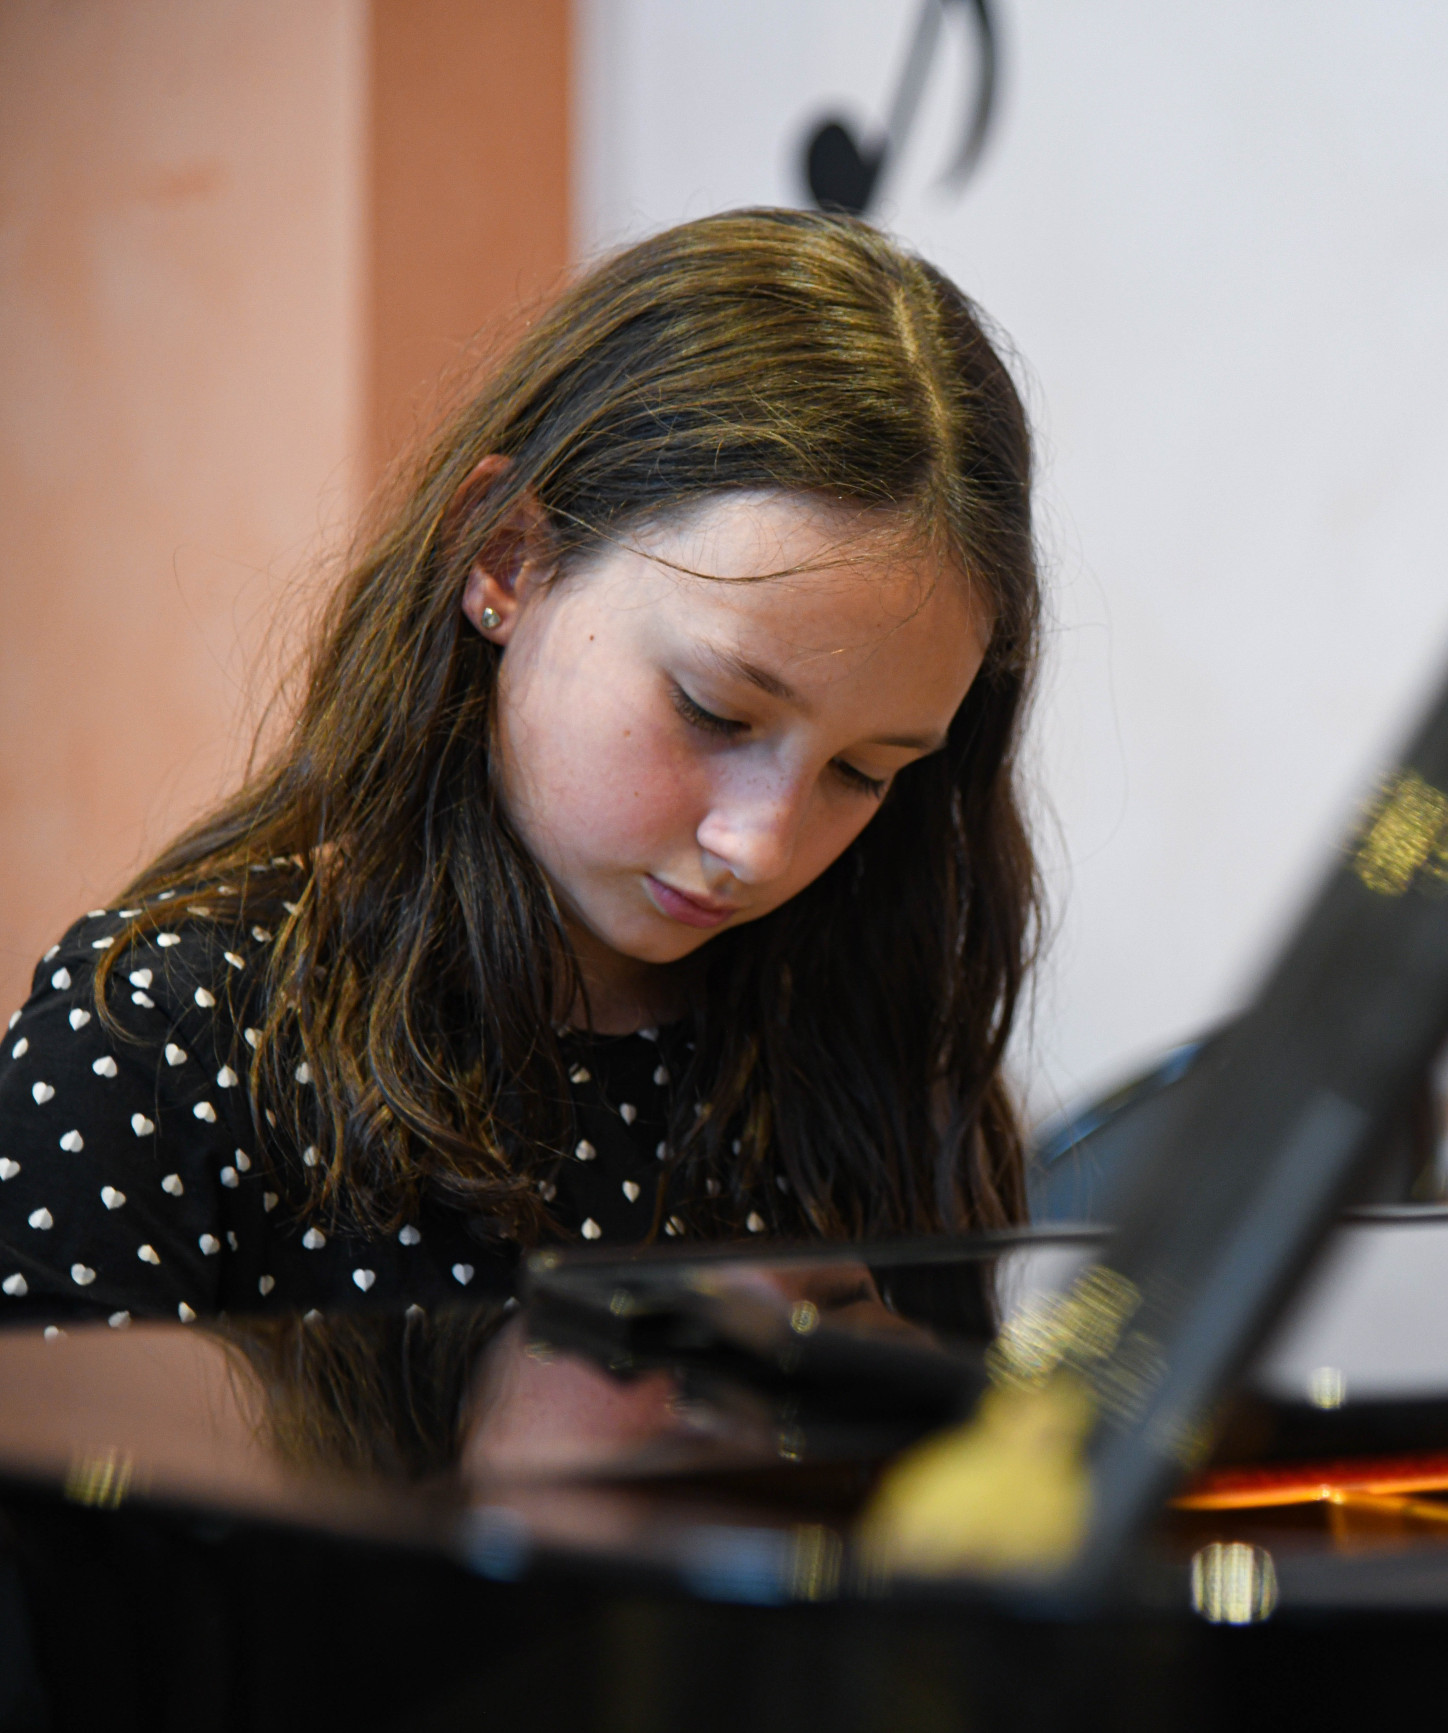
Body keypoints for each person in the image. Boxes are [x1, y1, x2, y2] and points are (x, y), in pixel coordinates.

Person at [0, 209, 1042, 1336]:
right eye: (714, 711)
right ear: (506, 555)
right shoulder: (171, 1038)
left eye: (862, 771)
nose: (760, 845)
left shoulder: (864, 1056)